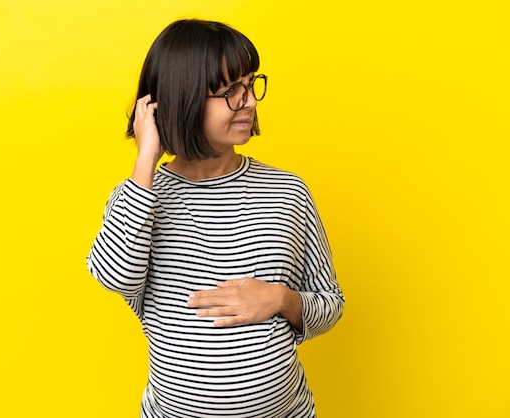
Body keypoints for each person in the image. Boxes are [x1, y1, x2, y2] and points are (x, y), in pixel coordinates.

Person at [87, 19, 344, 418]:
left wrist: (282, 298)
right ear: (181, 99)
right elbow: (115, 276)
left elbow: (330, 304)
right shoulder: (141, 198)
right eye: (230, 92)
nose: (250, 102)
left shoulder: (287, 191)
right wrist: (145, 161)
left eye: (251, 85)